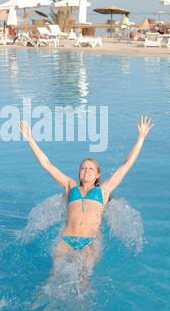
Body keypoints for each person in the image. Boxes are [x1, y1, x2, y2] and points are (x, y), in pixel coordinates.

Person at [19, 116, 154, 288]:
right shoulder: (70, 186)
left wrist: (141, 138)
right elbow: (47, 164)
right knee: (53, 276)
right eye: (83, 168)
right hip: (66, 239)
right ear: (79, 173)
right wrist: (30, 139)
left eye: (90, 168)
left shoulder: (103, 191)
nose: (86, 171)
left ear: (98, 175)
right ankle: (43, 310)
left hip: (90, 242)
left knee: (84, 279)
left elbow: (126, 165)